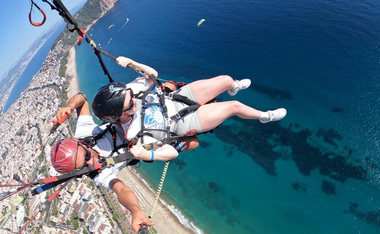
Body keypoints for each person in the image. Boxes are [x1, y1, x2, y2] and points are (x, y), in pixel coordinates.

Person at [91, 56, 287, 162]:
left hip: (178, 97)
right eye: (130, 103)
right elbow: (171, 152)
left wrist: (132, 63)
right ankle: (265, 116)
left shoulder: (130, 92)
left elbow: (153, 74)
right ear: (121, 115)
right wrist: (147, 155)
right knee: (233, 107)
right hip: (184, 122)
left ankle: (233, 87)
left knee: (226, 80)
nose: (134, 98)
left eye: (131, 95)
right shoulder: (136, 135)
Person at [50, 92, 154, 233]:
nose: (90, 162)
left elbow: (83, 98)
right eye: (83, 166)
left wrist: (70, 106)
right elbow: (122, 190)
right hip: (145, 142)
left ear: (82, 144)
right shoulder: (99, 175)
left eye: (86, 156)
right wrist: (135, 210)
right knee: (191, 143)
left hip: (127, 121)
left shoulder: (84, 134)